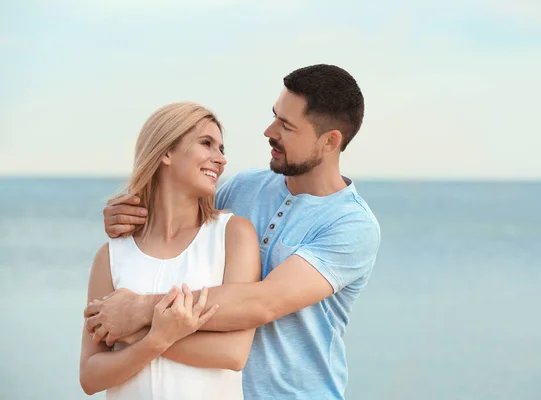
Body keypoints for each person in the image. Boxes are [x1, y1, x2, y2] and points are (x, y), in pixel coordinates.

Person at [86, 64, 381, 399]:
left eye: (286, 125)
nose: (269, 131)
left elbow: (261, 303)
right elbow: (183, 228)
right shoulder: (243, 189)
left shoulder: (351, 225)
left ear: (330, 141)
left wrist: (139, 313)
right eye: (274, 116)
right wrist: (131, 214)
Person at [79, 102, 261, 399]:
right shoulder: (111, 255)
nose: (221, 160)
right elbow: (90, 377)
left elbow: (233, 353)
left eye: (222, 149)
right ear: (165, 152)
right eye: (206, 144)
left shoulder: (233, 235)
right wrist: (154, 341)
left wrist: (135, 330)